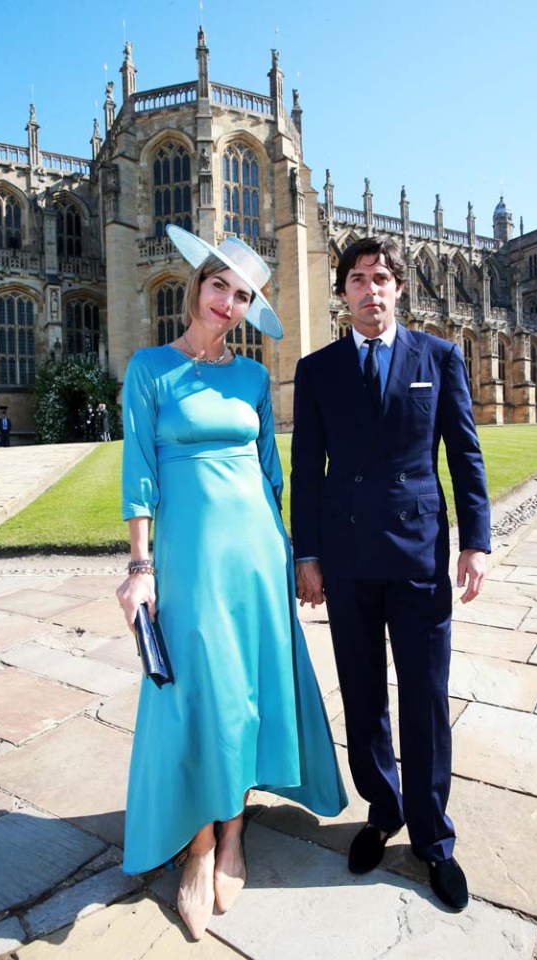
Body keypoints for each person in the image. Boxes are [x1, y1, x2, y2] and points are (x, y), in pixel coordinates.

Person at [116, 226, 347, 940]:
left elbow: (271, 476)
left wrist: (296, 554)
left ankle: (234, 829)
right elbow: (140, 475)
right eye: (219, 285)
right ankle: (199, 845)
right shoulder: (149, 368)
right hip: (188, 560)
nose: (228, 301)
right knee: (201, 691)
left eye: (243, 294)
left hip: (255, 553)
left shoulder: (250, 376)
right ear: (197, 287)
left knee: (245, 688)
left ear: (250, 308)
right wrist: (139, 567)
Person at [291, 236, 490, 912]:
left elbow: (465, 454)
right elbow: (307, 473)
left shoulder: (438, 357)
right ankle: (383, 811)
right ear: (342, 291)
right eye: (357, 279)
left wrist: (477, 542)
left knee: (426, 698)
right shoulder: (317, 370)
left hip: (418, 555)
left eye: (381, 278)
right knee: (364, 694)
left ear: (398, 288)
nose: (370, 290)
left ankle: (434, 838)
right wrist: (306, 556)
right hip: (345, 559)